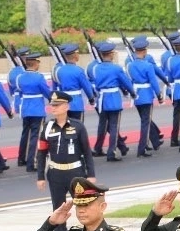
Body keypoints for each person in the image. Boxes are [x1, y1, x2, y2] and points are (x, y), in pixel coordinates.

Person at [36, 90, 96, 219]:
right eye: (52, 105)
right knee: (58, 210)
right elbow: (41, 153)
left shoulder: (78, 126)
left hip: (76, 173)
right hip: (56, 173)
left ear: (66, 106)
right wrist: (40, 176)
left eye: (57, 105)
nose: (54, 108)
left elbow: (87, 152)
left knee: (84, 207)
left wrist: (91, 174)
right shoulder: (47, 127)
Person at [90, 41, 132, 162]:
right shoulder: (116, 68)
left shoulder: (96, 68)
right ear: (111, 54)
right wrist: (131, 92)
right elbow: (125, 82)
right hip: (113, 99)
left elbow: (95, 85)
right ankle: (111, 152)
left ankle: (98, 148)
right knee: (114, 127)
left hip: (102, 100)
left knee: (102, 126)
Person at [126, 37, 166, 157]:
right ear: (144, 51)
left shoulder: (130, 65)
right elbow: (153, 82)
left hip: (137, 95)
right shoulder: (148, 65)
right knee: (145, 122)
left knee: (145, 120)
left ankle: (153, 142)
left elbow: (129, 80)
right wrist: (159, 95)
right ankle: (142, 148)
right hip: (146, 95)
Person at [16, 51, 51, 171]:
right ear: (35, 63)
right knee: (36, 136)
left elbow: (20, 91)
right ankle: (33, 161)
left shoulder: (20, 77)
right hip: (37, 109)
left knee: (26, 133)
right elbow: (46, 92)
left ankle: (23, 158)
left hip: (25, 108)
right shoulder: (39, 77)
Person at [53, 43, 96, 126]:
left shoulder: (60, 70)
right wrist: (91, 99)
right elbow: (86, 87)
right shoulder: (78, 70)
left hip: (64, 102)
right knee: (77, 127)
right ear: (75, 56)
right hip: (76, 103)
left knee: (65, 127)